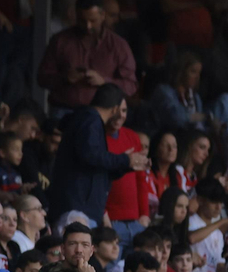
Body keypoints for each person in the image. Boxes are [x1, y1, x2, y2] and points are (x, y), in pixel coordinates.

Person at [48, 84, 151, 224]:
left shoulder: (89, 120)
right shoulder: (91, 121)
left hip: (81, 209)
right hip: (77, 210)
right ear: (114, 109)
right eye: (120, 110)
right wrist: (124, 160)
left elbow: (97, 170)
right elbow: (91, 155)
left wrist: (127, 164)